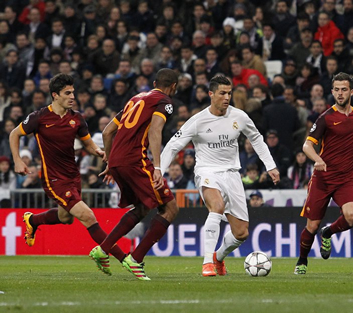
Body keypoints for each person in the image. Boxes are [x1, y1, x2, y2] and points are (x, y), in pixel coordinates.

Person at [160, 75, 280, 277]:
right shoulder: (197, 121)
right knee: (216, 206)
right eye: (222, 93)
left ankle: (218, 257)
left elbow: (257, 139)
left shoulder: (239, 117)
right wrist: (158, 172)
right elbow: (172, 146)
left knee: (241, 232)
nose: (227, 97)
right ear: (211, 94)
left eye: (229, 93)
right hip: (207, 170)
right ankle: (207, 262)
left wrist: (271, 166)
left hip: (232, 174)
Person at [9, 73, 126, 267]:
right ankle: (125, 259)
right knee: (88, 216)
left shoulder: (77, 119)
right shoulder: (40, 117)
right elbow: (14, 134)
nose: (73, 96)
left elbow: (88, 144)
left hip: (73, 177)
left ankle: (33, 221)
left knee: (66, 218)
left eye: (73, 92)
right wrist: (17, 160)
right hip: (53, 179)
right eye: (67, 93)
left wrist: (99, 152)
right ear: (55, 95)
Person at [89, 68, 179, 281]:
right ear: (173, 86)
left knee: (143, 207)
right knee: (170, 208)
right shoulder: (164, 101)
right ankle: (136, 259)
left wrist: (110, 162)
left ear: (155, 82)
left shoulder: (136, 99)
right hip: (135, 159)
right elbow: (156, 130)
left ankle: (103, 249)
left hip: (119, 160)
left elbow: (107, 132)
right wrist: (157, 167)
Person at [294, 72, 353, 275]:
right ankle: (302, 260)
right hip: (322, 179)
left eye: (344, 90)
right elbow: (307, 145)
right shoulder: (326, 118)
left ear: (352, 91)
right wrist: (318, 159)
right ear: (332, 91)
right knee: (312, 226)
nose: (340, 94)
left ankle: (329, 232)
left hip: (345, 180)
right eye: (336, 90)